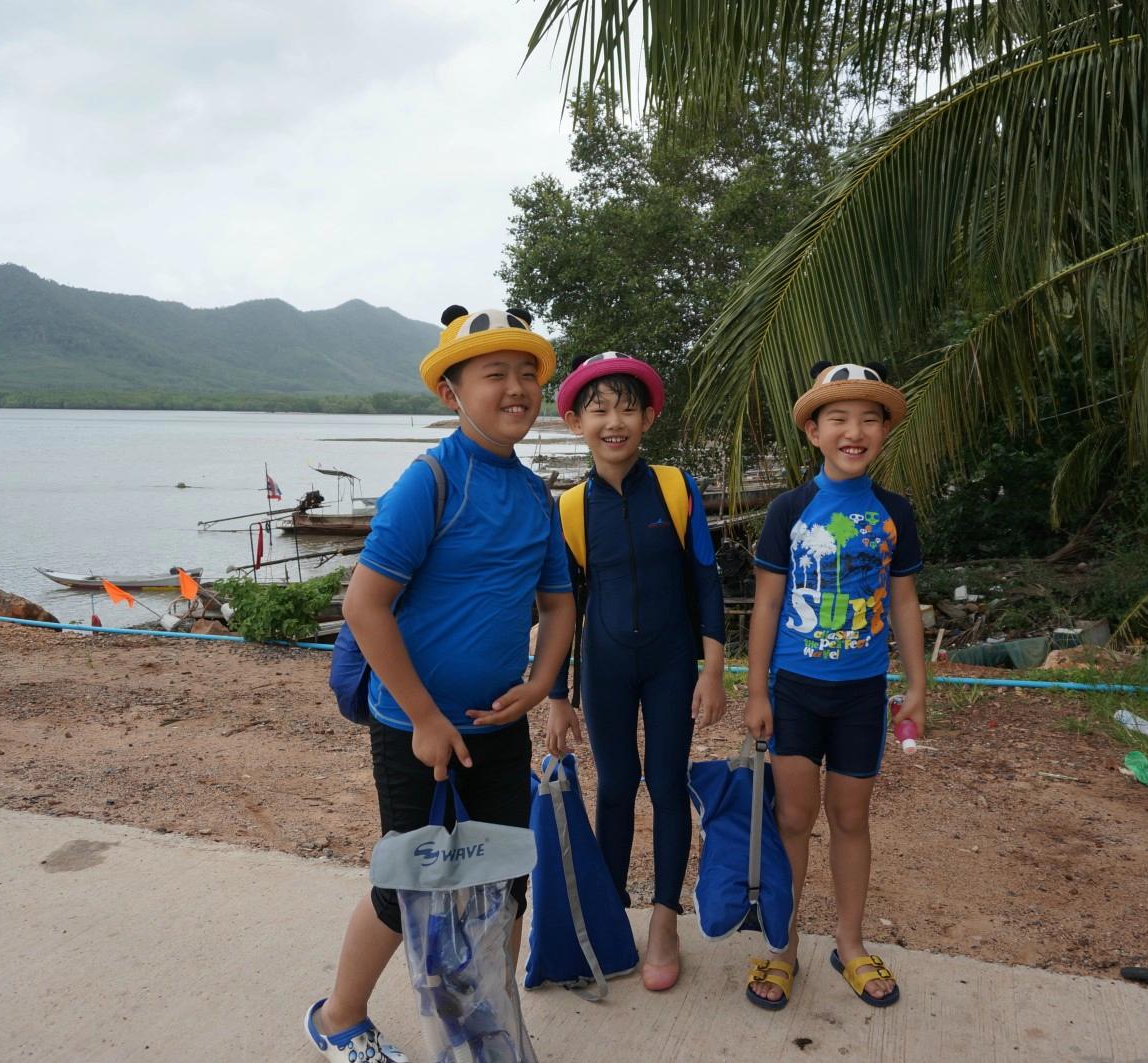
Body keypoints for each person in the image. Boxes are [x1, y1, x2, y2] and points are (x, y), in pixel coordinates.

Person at [304, 305, 577, 1060]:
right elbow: (365, 603)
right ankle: (338, 1017)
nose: (516, 387)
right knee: (407, 888)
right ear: (451, 392)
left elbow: (558, 601)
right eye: (495, 373)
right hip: (415, 728)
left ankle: (491, 1024)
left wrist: (542, 679)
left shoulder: (533, 497)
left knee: (505, 881)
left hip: (497, 723)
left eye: (528, 373)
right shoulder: (430, 482)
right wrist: (424, 715)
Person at [740, 361, 926, 1011]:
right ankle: (782, 946)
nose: (855, 430)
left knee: (851, 817)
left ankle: (848, 941)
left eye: (868, 418)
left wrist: (919, 684)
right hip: (794, 690)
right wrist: (757, 691)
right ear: (813, 432)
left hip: (860, 695)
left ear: (882, 432)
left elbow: (904, 604)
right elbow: (766, 605)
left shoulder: (894, 512)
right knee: (792, 818)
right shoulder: (789, 509)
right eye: (838, 418)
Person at [543, 352, 727, 992]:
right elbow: (564, 606)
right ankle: (611, 913)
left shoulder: (676, 488)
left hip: (674, 660)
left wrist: (713, 667)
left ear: (649, 416)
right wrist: (556, 696)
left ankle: (665, 921)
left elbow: (705, 577)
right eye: (598, 411)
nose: (613, 421)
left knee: (668, 784)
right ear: (574, 423)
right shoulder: (568, 508)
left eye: (627, 408)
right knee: (616, 786)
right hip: (605, 663)